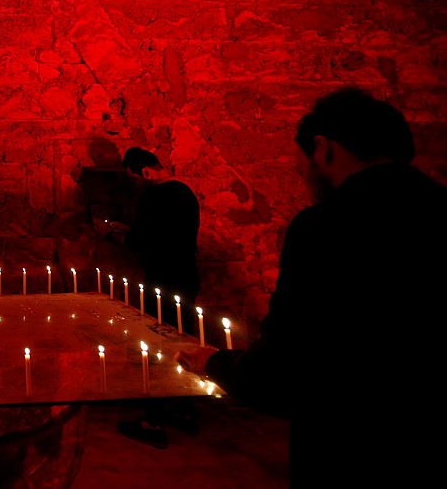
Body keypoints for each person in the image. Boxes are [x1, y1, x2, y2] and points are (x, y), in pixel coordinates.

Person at [175, 87, 446, 485]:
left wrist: (213, 363)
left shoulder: (326, 228)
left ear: (323, 149)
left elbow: (284, 372)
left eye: (300, 168)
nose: (304, 180)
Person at [108, 147, 201, 448]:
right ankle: (186, 410)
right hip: (187, 277)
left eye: (135, 178)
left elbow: (141, 241)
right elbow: (169, 233)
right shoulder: (186, 193)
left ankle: (153, 420)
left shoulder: (152, 196)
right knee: (185, 343)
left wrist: (114, 235)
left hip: (162, 280)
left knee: (159, 347)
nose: (137, 184)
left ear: (145, 173)